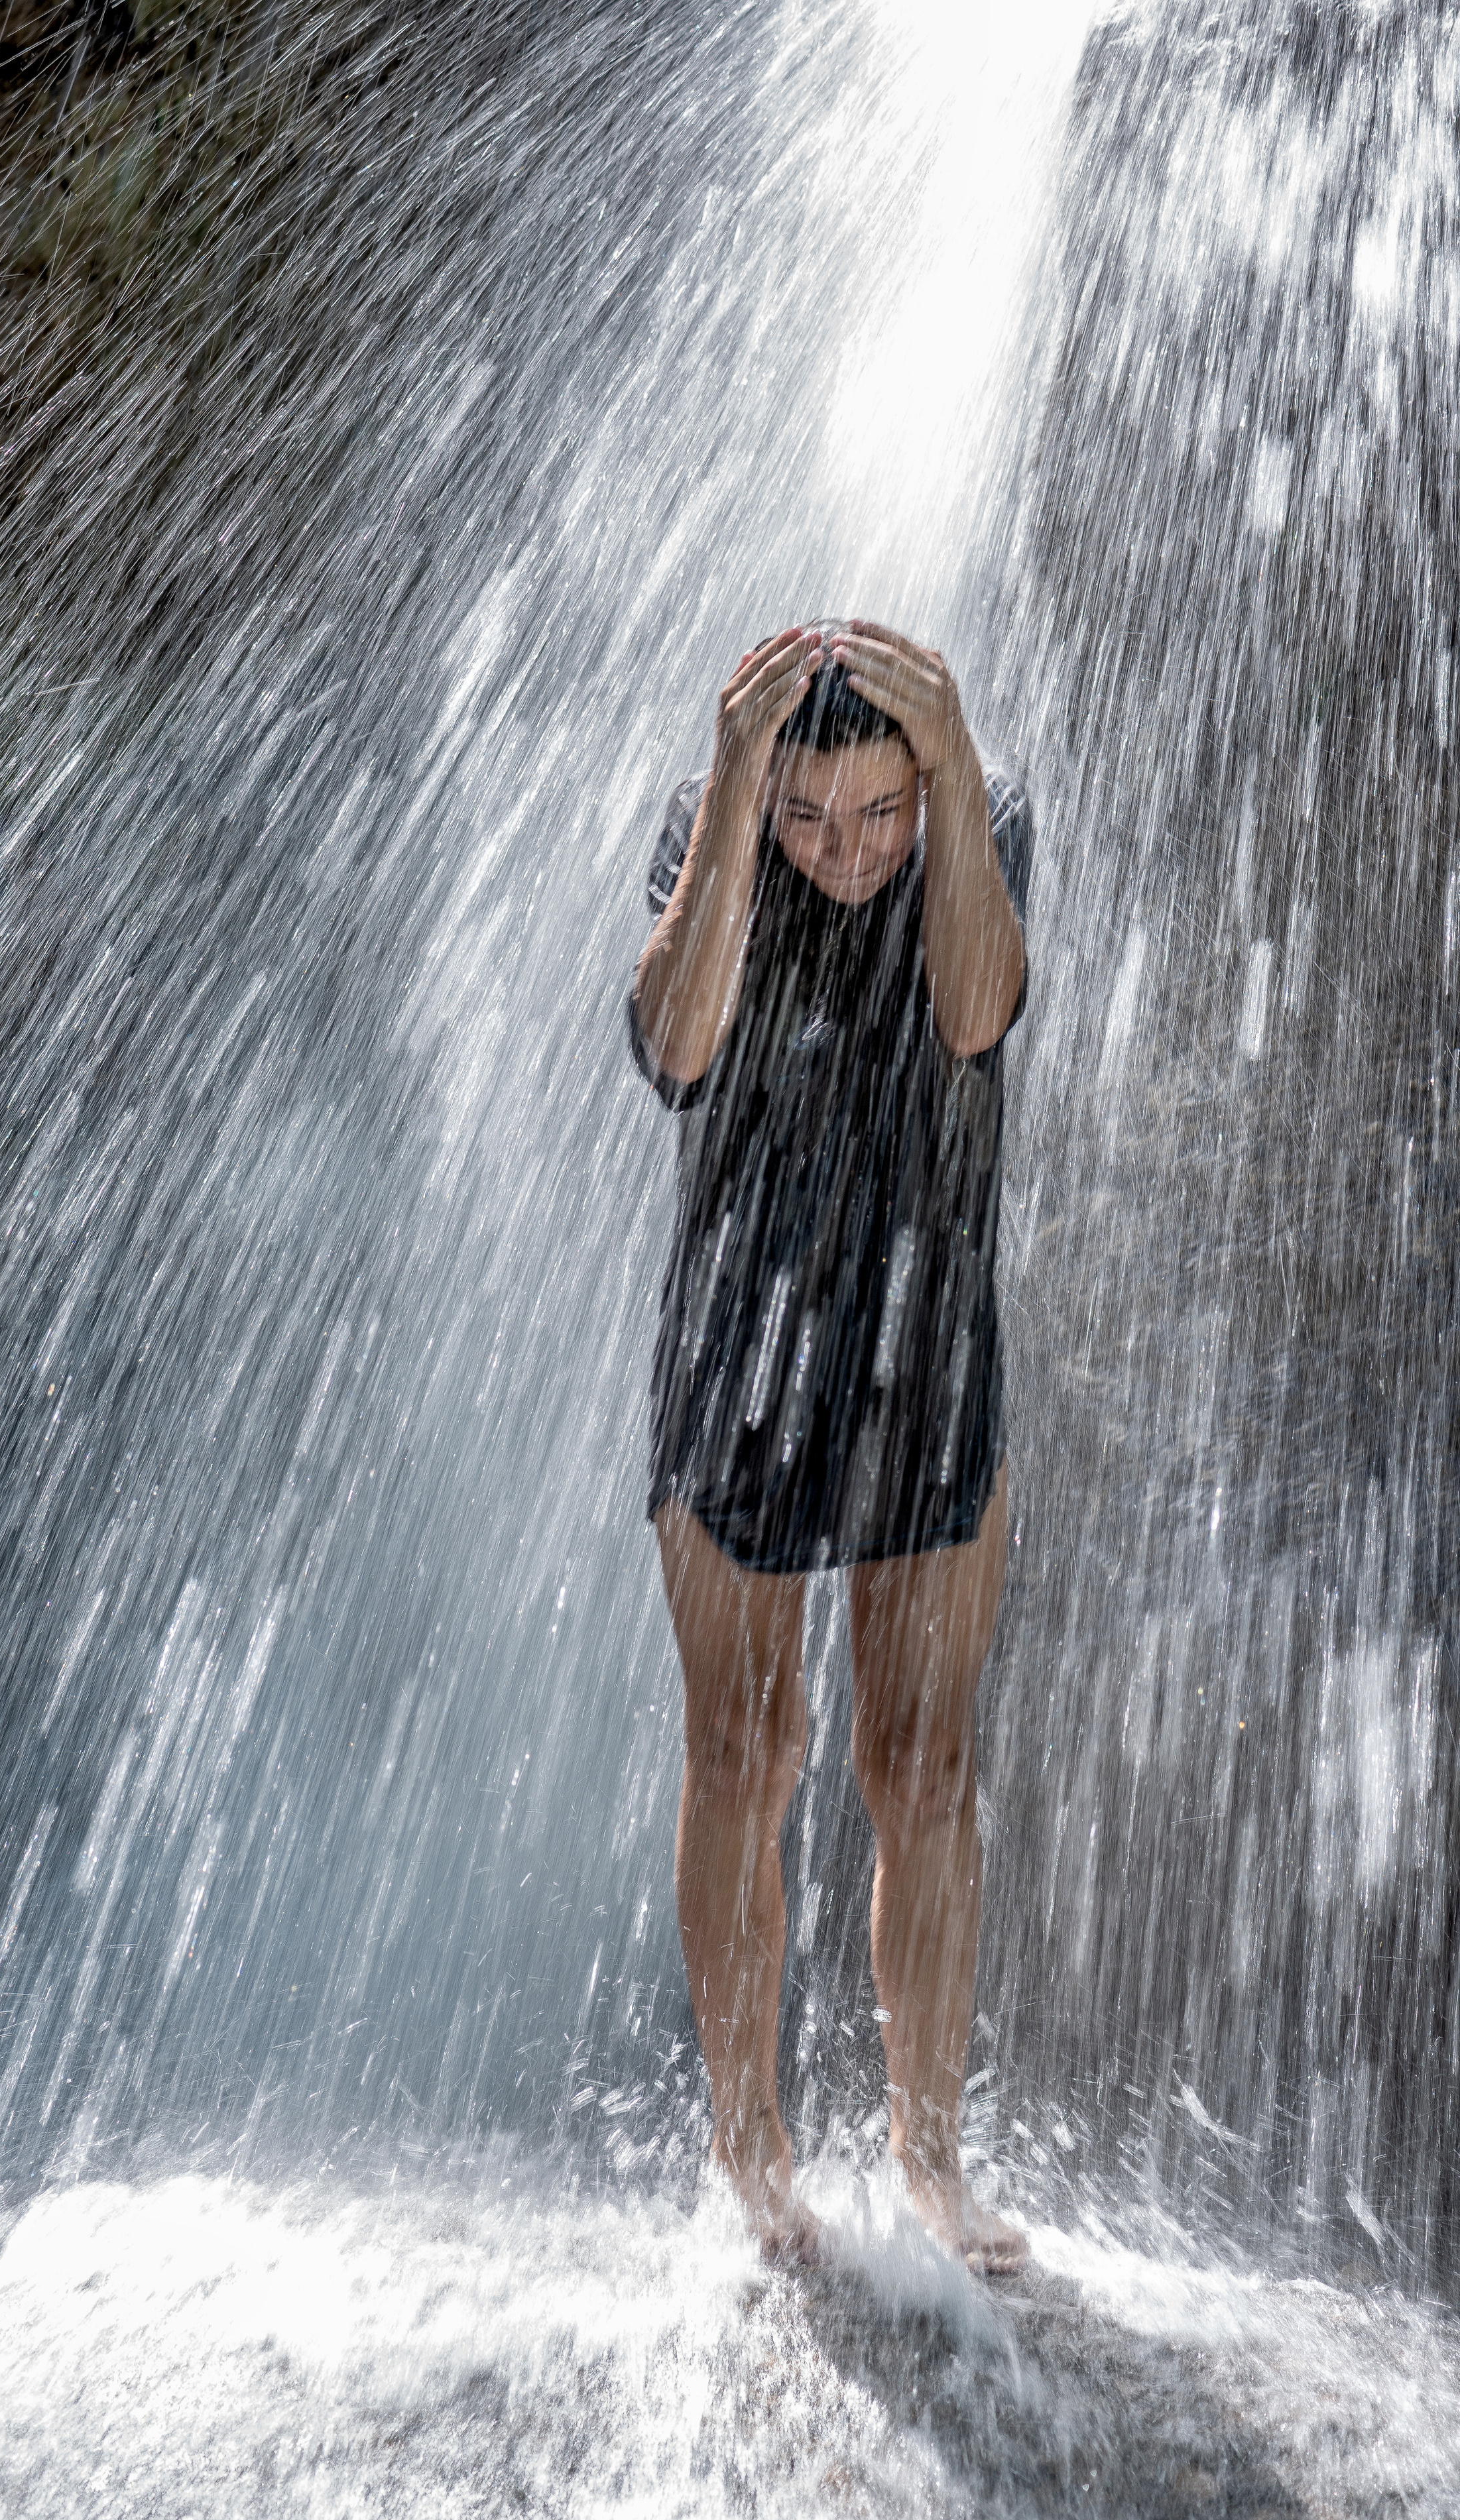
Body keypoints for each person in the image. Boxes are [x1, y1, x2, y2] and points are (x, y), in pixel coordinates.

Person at [629, 620, 1030, 2271]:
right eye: (814, 816)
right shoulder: (715, 826)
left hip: (927, 1341)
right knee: (745, 1751)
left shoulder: (975, 826)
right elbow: (673, 1044)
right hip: (739, 1346)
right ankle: (749, 2162)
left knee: (920, 1767)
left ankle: (930, 2163)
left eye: (879, 815)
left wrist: (950, 771)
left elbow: (975, 1011)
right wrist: (736, 793)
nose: (846, 852)